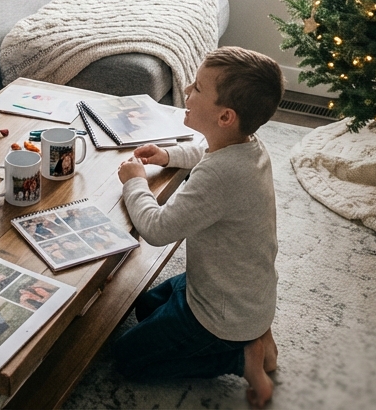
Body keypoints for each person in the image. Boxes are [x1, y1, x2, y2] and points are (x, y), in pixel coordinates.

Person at [114, 46, 283, 409]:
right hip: (236, 289)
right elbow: (205, 151)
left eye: (198, 88)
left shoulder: (219, 176)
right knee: (142, 307)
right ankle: (257, 336)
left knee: (126, 358)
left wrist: (135, 181)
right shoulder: (246, 145)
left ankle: (242, 357)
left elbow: (157, 229)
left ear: (225, 117)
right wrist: (167, 155)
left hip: (220, 315)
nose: (187, 91)